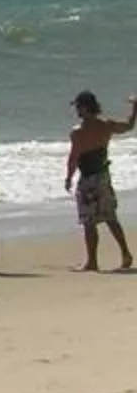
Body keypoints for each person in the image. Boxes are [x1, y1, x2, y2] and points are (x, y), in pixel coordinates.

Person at [62, 90, 137, 273]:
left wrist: (69, 177)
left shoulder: (78, 132)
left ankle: (92, 262)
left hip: (88, 178)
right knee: (110, 217)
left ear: (85, 108)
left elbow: (73, 158)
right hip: (103, 176)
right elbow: (129, 126)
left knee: (89, 221)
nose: (76, 111)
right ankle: (125, 253)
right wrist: (135, 108)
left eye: (78, 107)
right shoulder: (106, 125)